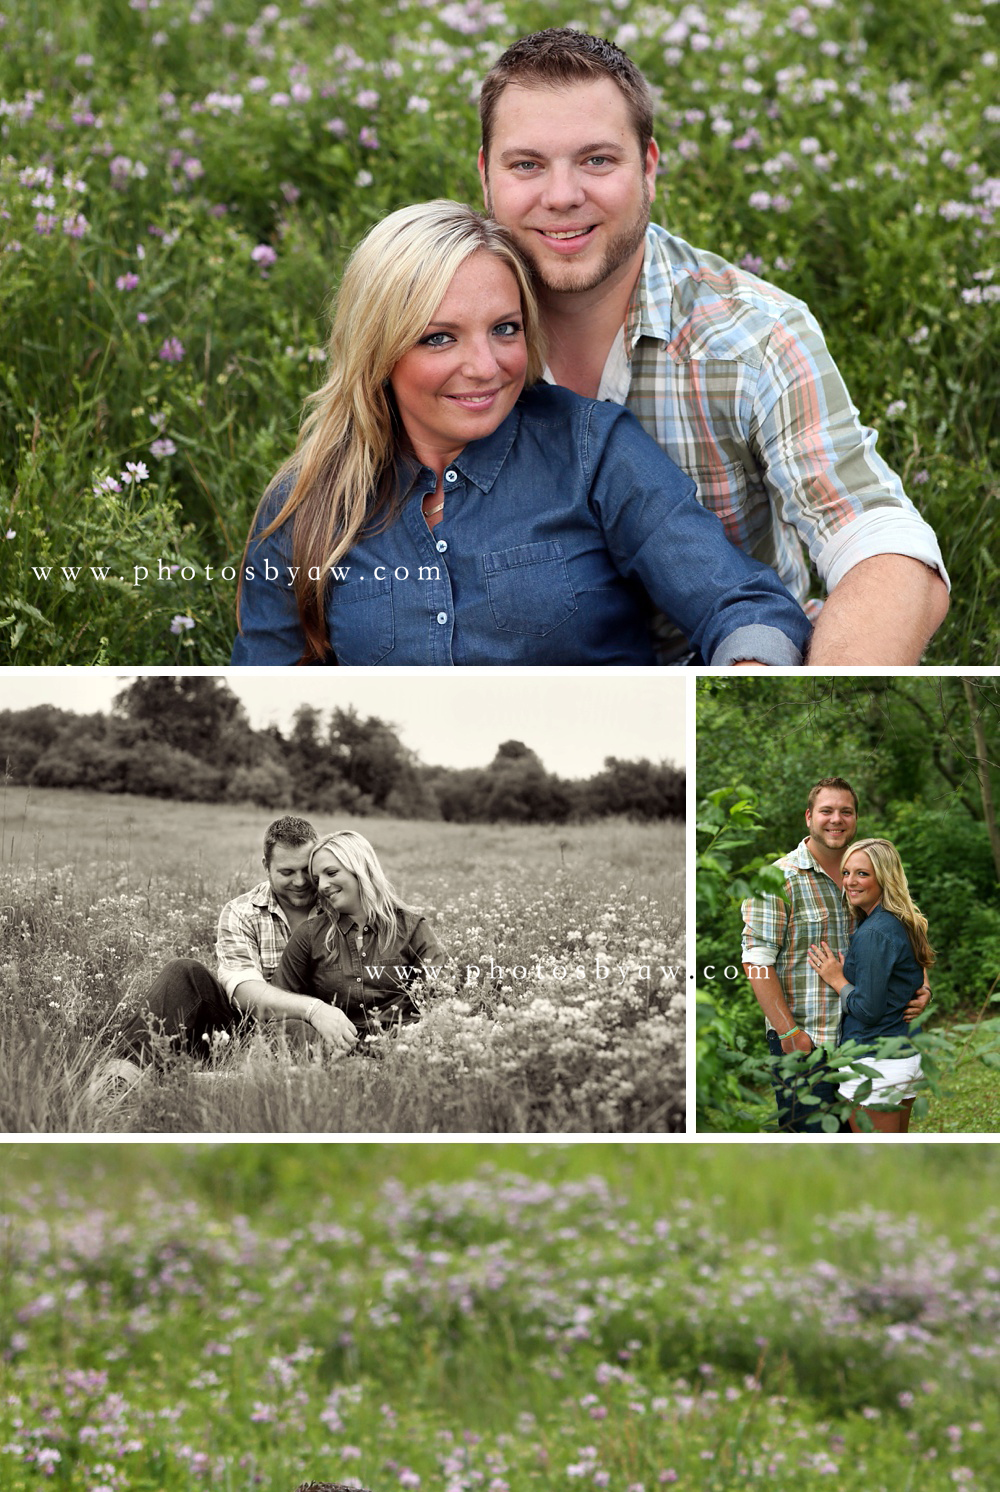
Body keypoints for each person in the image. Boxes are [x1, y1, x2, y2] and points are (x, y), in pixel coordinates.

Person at [477, 28, 950, 667]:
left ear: (649, 167)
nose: (561, 196)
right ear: (486, 175)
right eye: (527, 164)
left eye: (597, 160)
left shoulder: (754, 337)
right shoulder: (435, 331)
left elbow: (877, 536)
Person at [231, 200, 813, 670]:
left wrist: (748, 667)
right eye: (440, 338)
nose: (485, 366)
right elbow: (269, 684)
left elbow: (742, 603)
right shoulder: (306, 506)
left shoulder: (592, 450)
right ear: (379, 350)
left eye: (504, 329)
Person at [740, 779, 930, 1133]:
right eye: (827, 811)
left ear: (856, 818)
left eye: (846, 811)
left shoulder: (866, 871)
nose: (836, 819)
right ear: (809, 817)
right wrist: (788, 1033)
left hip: (868, 1043)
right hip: (807, 1042)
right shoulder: (775, 880)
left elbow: (902, 932)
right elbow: (756, 963)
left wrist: (923, 988)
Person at [110, 816, 359, 1077]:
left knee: (301, 1032)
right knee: (182, 972)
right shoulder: (242, 911)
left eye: (305, 871)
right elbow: (243, 991)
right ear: (266, 866)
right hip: (241, 1028)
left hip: (318, 1032)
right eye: (286, 872)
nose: (299, 882)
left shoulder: (337, 903)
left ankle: (214, 1082)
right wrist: (313, 1009)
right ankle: (122, 1078)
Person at [805, 837, 933, 1134]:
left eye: (862, 874)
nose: (850, 881)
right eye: (847, 872)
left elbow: (868, 1009)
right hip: (903, 1053)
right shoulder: (899, 920)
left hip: (876, 1062)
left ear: (884, 878)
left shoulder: (874, 932)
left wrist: (837, 978)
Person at [276, 834, 444, 1038]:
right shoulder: (310, 934)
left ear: (361, 869)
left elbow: (439, 997)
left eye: (331, 873)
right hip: (335, 1050)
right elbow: (279, 1002)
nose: (322, 886)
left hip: (400, 1047)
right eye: (318, 879)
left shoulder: (411, 929)